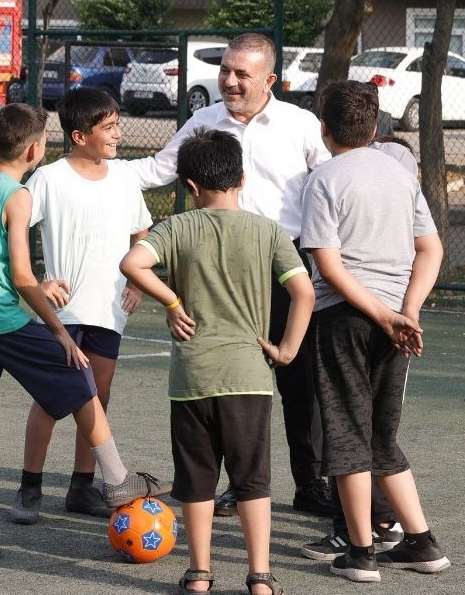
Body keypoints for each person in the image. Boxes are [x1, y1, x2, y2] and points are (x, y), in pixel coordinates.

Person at [0, 102, 168, 567]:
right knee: (79, 376)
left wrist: (42, 282)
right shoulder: (19, 196)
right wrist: (59, 331)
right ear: (35, 149)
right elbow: (19, 275)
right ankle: (116, 479)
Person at [126, 32, 334, 517]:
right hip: (220, 271)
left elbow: (330, 185)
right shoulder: (203, 120)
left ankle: (311, 482)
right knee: (227, 382)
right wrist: (92, 167)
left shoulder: (299, 124)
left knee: (298, 382)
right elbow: (156, 170)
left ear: (270, 79)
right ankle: (237, 484)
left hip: (285, 266)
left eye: (242, 73)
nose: (230, 81)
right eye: (225, 69)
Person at [121, 128, 312, 595]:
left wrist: (171, 302)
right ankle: (261, 576)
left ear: (189, 186)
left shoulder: (175, 228)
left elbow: (132, 263)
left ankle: (200, 574)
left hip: (192, 377)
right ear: (242, 178)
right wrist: (285, 350)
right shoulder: (269, 232)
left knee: (197, 479)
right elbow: (303, 292)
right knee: (252, 479)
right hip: (248, 377)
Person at [299, 81, 450, 582]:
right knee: (381, 436)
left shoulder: (324, 179)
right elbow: (431, 249)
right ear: (377, 125)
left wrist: (385, 316)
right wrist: (406, 311)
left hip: (344, 319)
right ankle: (422, 543)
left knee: (344, 432)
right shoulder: (399, 174)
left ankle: (360, 553)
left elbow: (329, 267)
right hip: (395, 320)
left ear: (324, 128)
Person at [7, 88, 152, 523]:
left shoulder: (124, 177)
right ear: (79, 135)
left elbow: (141, 231)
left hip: (110, 309)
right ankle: (29, 487)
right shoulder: (49, 179)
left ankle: (81, 487)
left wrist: (137, 279)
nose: (117, 134)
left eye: (116, 125)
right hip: (65, 313)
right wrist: (38, 279)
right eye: (108, 128)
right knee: (53, 399)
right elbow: (12, 228)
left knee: (97, 395)